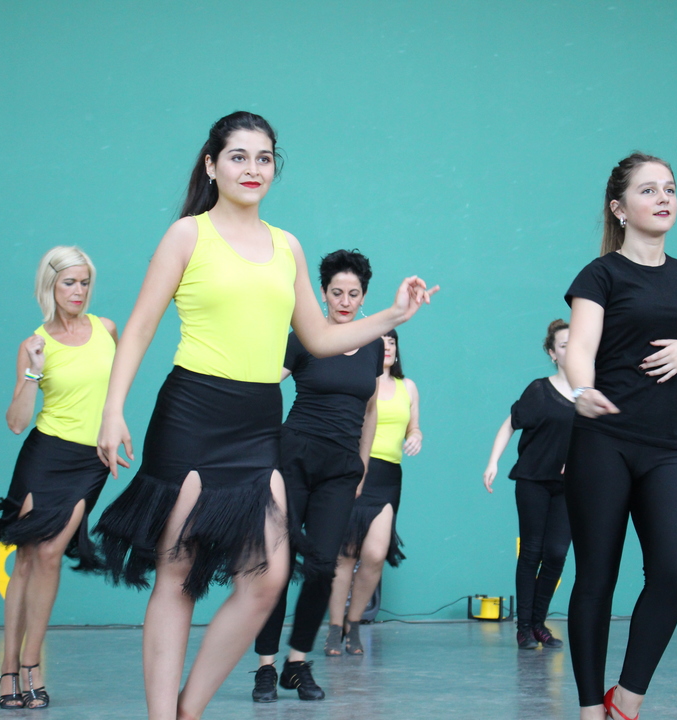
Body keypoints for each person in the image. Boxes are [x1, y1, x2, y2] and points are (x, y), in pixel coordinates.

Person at [91, 112, 436, 720]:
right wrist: (112, 409)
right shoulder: (187, 236)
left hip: (256, 424)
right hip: (192, 414)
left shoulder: (287, 247)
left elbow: (318, 338)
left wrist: (393, 315)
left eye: (264, 158)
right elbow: (140, 327)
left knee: (269, 578)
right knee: (178, 574)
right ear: (211, 165)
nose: (253, 169)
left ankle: (188, 709)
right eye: (239, 156)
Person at [563, 153, 677, 720]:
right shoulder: (600, 275)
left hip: (668, 445)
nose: (663, 198)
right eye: (648, 190)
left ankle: (625, 700)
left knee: (673, 571)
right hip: (605, 439)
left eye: (669, 188)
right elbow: (580, 347)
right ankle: (588, 707)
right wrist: (583, 389)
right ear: (619, 208)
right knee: (596, 577)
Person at [0, 246, 117, 710]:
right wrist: (33, 372)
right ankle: (9, 669)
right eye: (69, 283)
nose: (78, 291)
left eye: (84, 282)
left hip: (89, 461)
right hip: (45, 456)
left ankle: (33, 664)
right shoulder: (34, 344)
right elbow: (17, 422)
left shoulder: (108, 330)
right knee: (25, 560)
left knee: (51, 554)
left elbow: (114, 392)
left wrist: (115, 427)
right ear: (50, 286)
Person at [251, 249, 384, 703]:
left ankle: (297, 663)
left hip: (341, 469)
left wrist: (361, 465)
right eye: (336, 292)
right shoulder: (304, 338)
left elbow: (371, 409)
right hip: (295, 459)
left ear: (364, 297)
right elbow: (263, 385)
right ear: (322, 294)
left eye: (353, 294)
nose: (344, 301)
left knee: (324, 567)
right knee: (278, 565)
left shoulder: (372, 345)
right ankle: (266, 666)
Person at [326, 329, 421, 655]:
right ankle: (334, 628)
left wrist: (416, 435)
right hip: (354, 472)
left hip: (388, 478)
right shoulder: (359, 382)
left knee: (375, 554)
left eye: (392, 342)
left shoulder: (408, 387)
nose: (388, 347)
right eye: (381, 342)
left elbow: (413, 427)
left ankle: (353, 624)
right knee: (345, 555)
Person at [483, 318, 575, 650]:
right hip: (533, 480)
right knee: (532, 551)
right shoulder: (539, 390)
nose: (570, 350)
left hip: (569, 486)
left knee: (557, 553)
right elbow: (510, 424)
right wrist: (493, 461)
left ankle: (538, 623)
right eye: (563, 346)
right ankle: (524, 627)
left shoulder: (591, 392)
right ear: (553, 353)